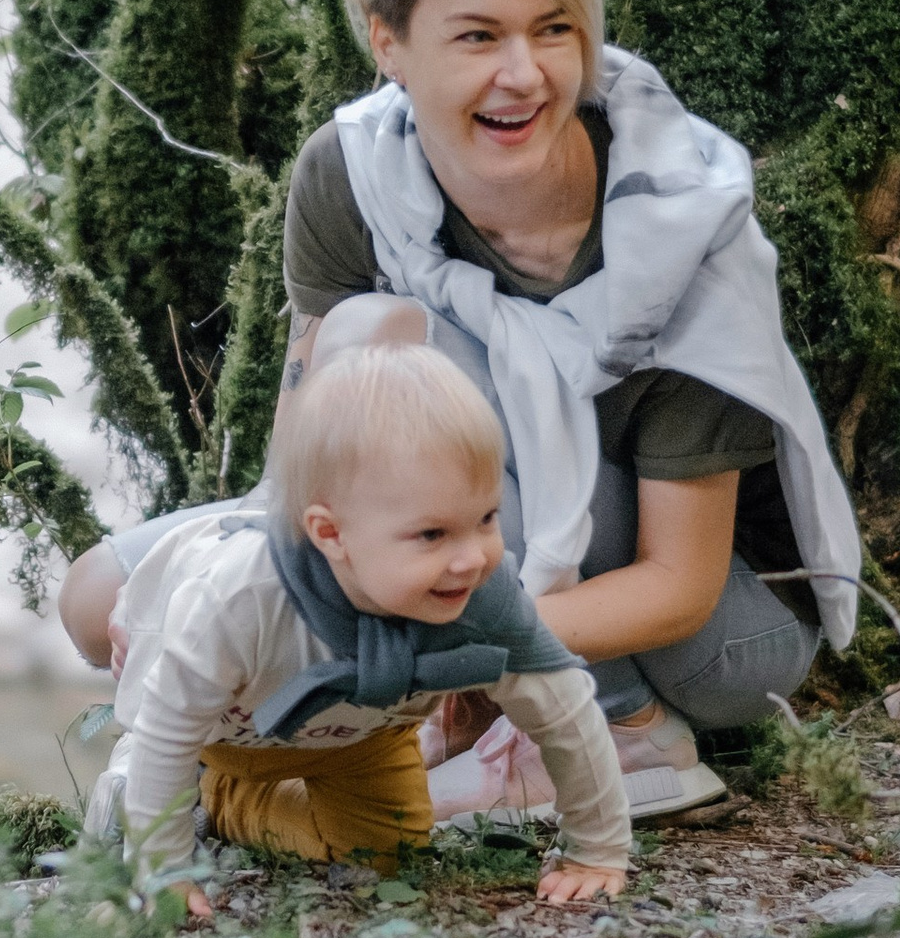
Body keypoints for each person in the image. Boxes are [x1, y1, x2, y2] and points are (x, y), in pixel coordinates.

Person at [62, 0, 858, 824]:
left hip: (719, 637)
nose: (523, 75)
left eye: (553, 30)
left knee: (417, 353)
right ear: (388, 43)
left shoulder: (678, 225)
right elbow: (308, 462)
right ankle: (410, 729)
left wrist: (399, 656)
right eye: (478, 36)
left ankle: (626, 732)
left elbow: (679, 589)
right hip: (462, 557)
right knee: (104, 593)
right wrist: (239, 614)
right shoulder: (351, 173)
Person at [85, 341, 629, 902]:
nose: (473, 558)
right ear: (330, 534)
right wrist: (164, 868)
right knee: (165, 752)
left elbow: (565, 712)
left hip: (358, 738)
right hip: (216, 729)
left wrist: (596, 848)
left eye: (486, 518)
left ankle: (223, 802)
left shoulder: (483, 596)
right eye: (432, 534)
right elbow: (167, 730)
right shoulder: (241, 600)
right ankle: (144, 790)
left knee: (384, 856)